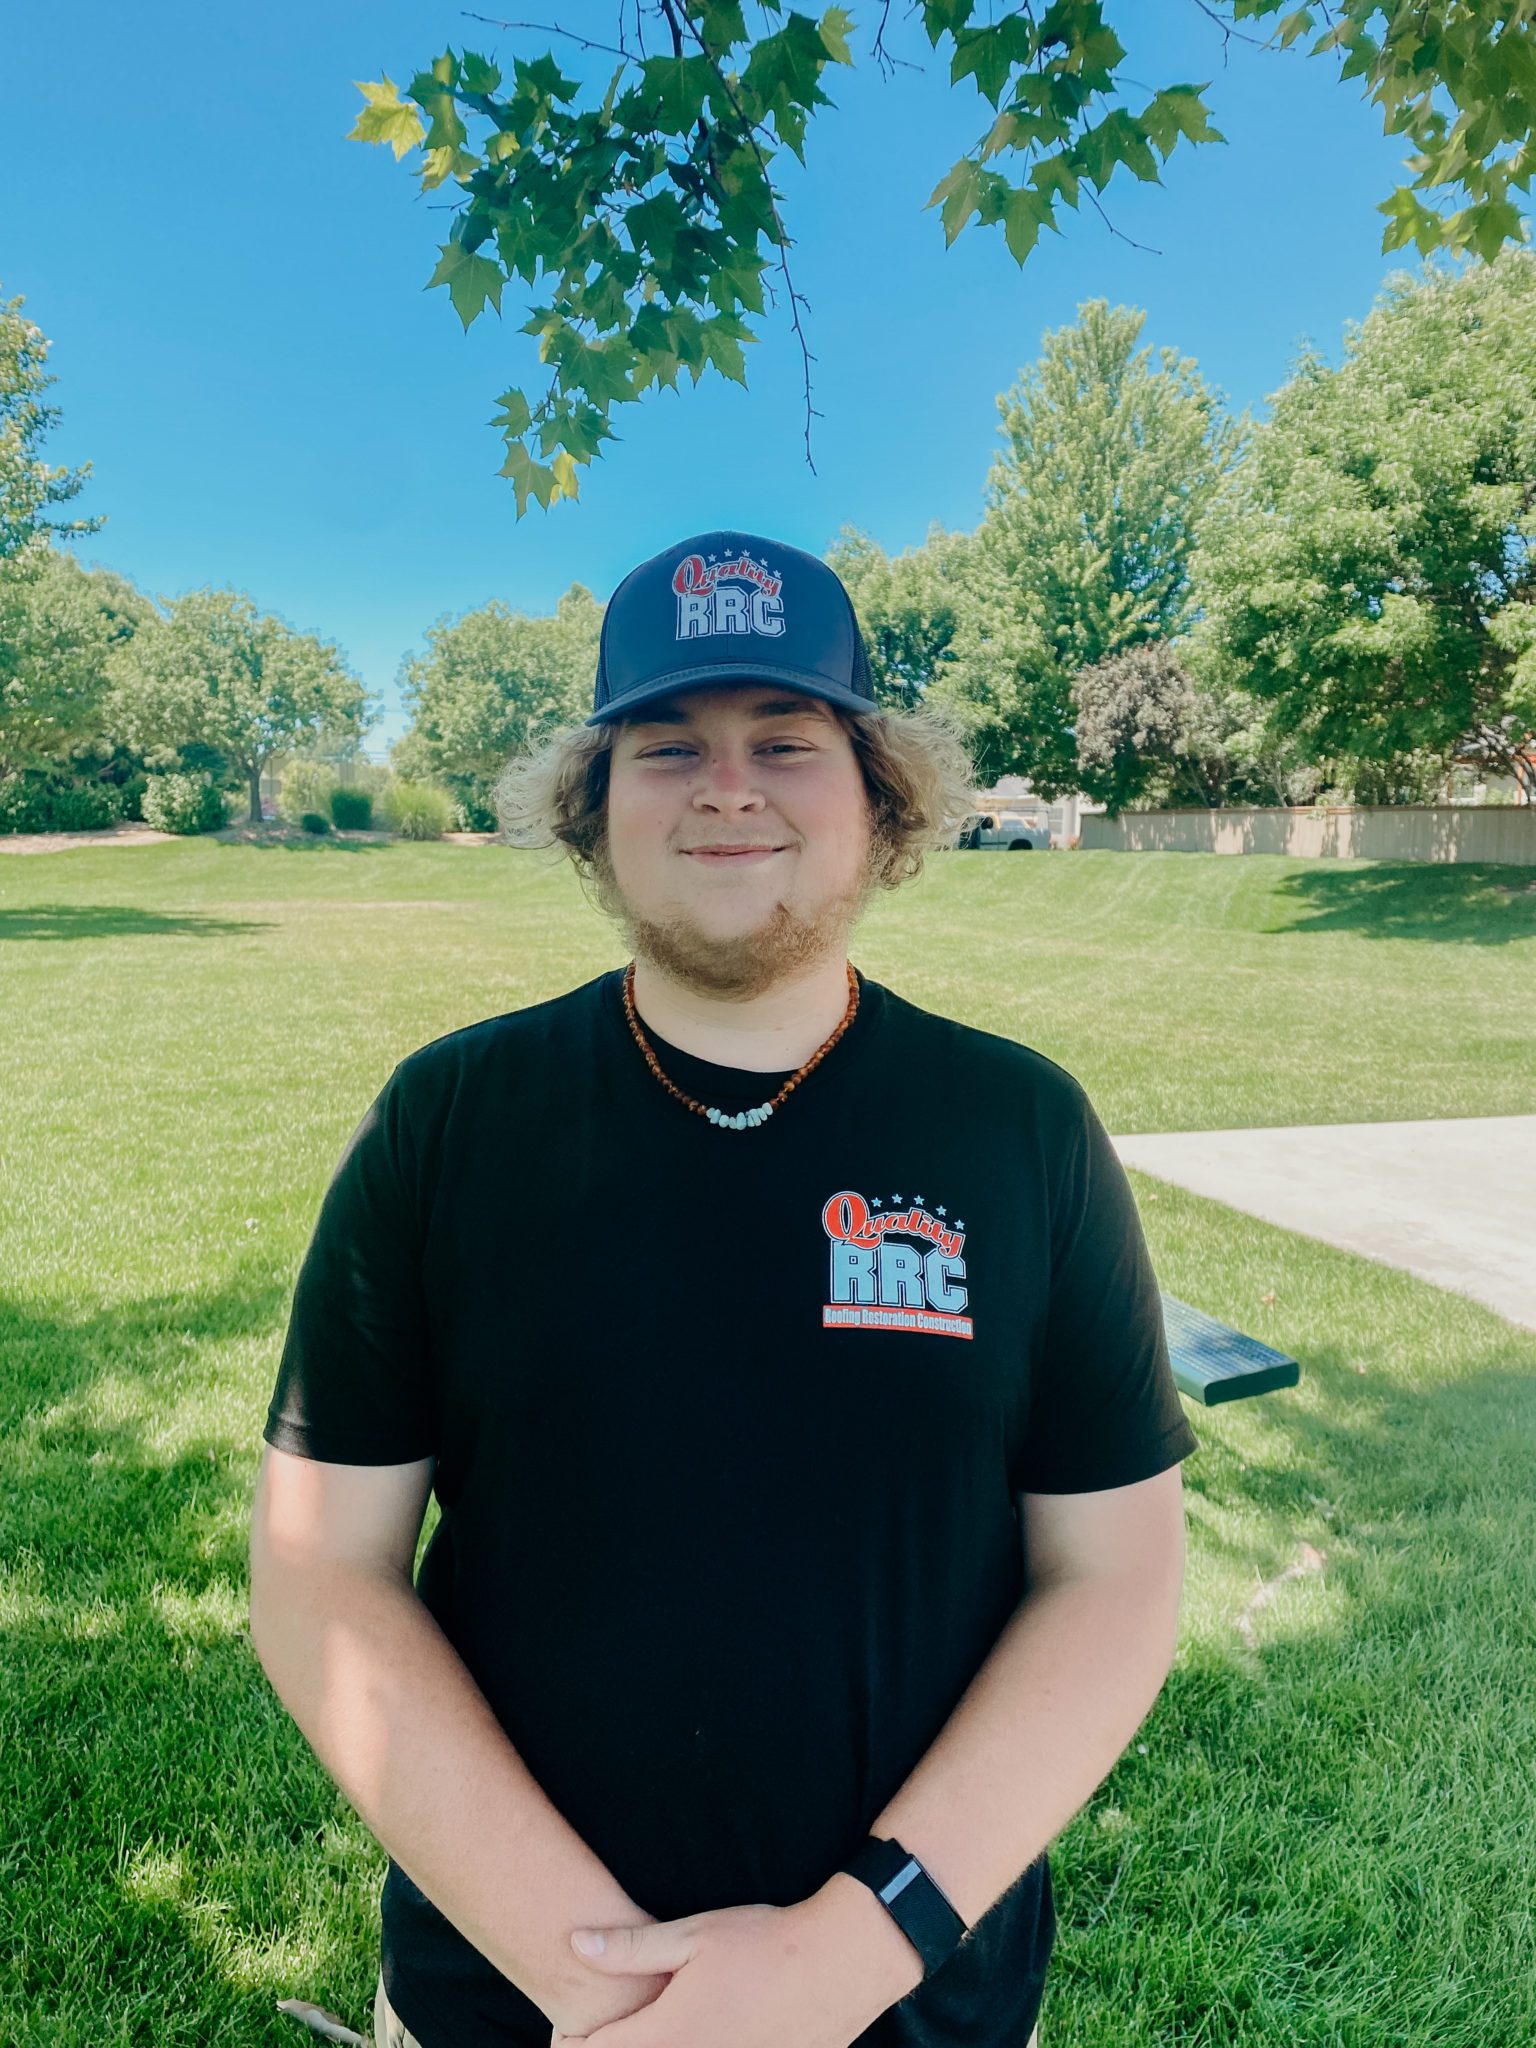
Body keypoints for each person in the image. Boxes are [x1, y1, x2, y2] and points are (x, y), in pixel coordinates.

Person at [249, 528, 1199, 2048]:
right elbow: (321, 1570)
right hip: (512, 2000)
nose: (728, 786)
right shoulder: (448, 1121)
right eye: (669, 745)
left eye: (786, 739)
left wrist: (845, 1955)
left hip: (912, 2001)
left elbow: (1114, 1578)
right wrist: (605, 1984)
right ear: (592, 809)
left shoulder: (1022, 1127)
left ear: (883, 800)